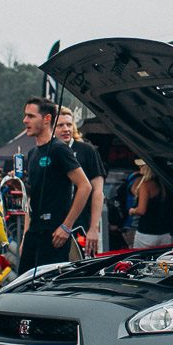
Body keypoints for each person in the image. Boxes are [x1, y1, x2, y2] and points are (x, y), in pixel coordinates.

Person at [18, 97, 91, 275]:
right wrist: (25, 236)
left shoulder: (59, 149)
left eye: (30, 116)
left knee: (48, 290)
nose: (25, 120)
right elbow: (31, 199)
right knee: (25, 287)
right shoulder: (33, 152)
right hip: (34, 234)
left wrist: (66, 226)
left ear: (47, 119)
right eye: (25, 116)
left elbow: (85, 186)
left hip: (54, 235)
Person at [55, 109, 105, 257]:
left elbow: (98, 191)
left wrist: (94, 228)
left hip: (82, 225)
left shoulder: (87, 150)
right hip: (54, 226)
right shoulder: (48, 151)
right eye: (60, 125)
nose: (66, 129)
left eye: (69, 125)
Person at [133, 165, 173, 248]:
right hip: (165, 232)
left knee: (141, 259)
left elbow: (141, 210)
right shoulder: (167, 184)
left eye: (141, 166)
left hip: (147, 232)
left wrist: (132, 211)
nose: (139, 168)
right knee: (163, 260)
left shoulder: (146, 185)